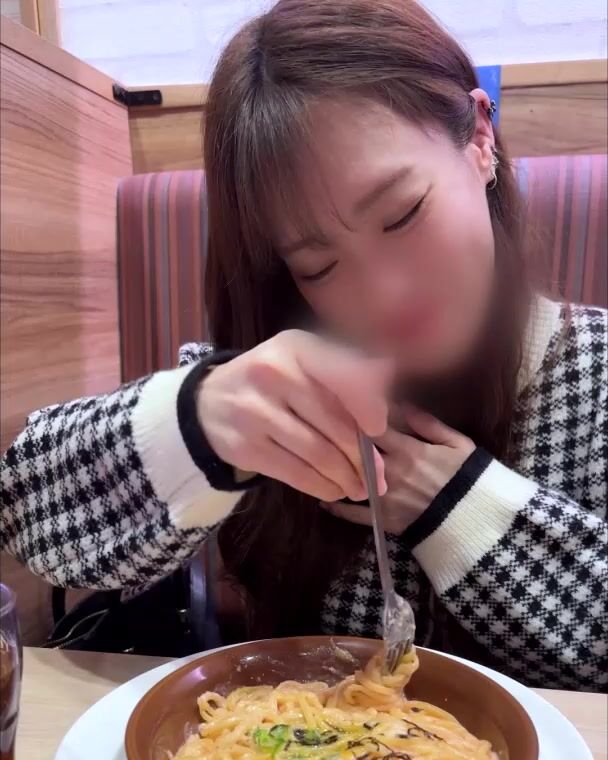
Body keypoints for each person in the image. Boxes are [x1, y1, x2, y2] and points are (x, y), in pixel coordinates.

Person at [1, 0, 606, 690]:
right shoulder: (280, 385)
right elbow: (28, 519)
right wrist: (200, 425)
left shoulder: (592, 372)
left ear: (478, 139)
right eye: (319, 265)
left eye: (402, 214)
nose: (382, 295)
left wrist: (459, 508)